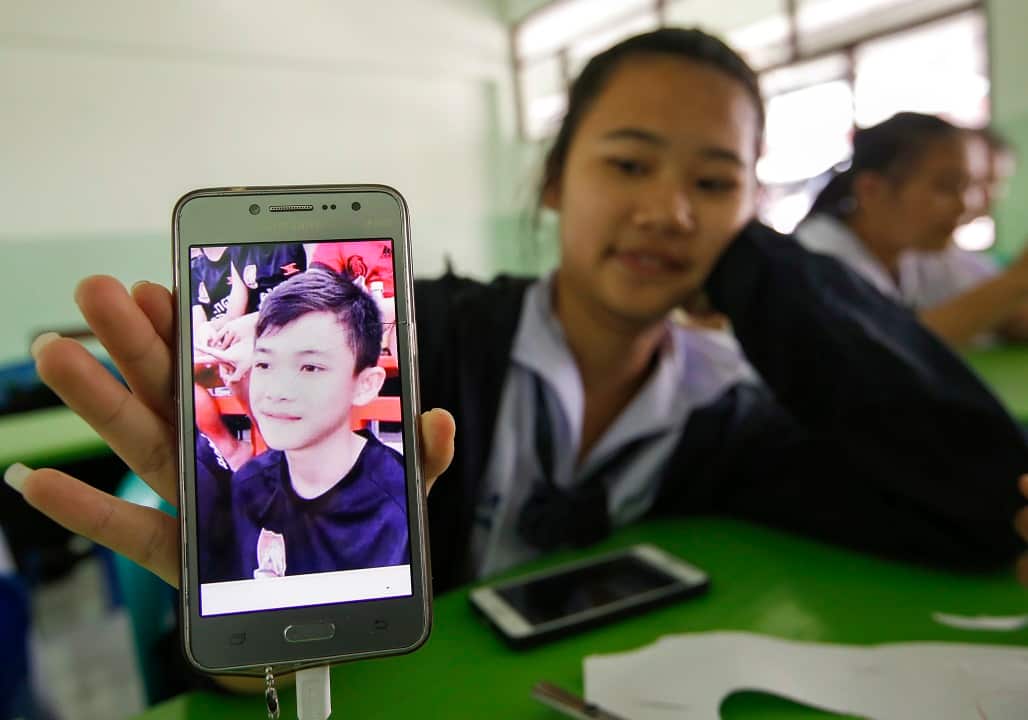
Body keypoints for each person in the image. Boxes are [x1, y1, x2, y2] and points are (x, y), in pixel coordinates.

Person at [3, 25, 1027, 688]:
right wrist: (253, 639)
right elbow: (273, 659)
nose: (666, 211)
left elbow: (975, 504)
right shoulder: (417, 343)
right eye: (626, 163)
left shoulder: (720, 408)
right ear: (550, 182)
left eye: (715, 185)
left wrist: (760, 270)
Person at [227, 267, 408, 581]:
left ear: (366, 384)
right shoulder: (249, 486)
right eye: (265, 363)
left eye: (310, 367)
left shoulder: (397, 495)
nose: (277, 391)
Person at [797, 113, 1028, 347]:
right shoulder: (817, 258)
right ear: (871, 191)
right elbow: (880, 349)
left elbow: (1009, 314)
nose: (965, 205)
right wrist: (1016, 281)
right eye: (947, 186)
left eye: (968, 187)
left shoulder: (922, 253)